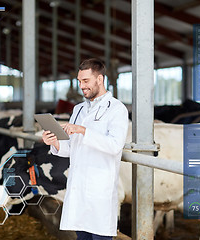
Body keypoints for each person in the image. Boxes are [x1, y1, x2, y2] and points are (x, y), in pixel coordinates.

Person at [42, 58, 129, 240]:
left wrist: (82, 130)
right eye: (79, 81)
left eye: (86, 81)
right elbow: (72, 148)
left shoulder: (116, 109)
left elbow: (114, 146)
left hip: (100, 191)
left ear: (100, 79)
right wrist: (55, 143)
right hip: (78, 189)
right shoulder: (79, 109)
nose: (82, 86)